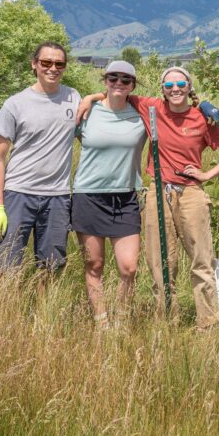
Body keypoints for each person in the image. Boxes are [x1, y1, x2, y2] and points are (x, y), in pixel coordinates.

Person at [78, 66, 219, 329]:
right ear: (162, 90)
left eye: (180, 84)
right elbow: (117, 92)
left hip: (190, 192)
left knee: (201, 259)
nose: (175, 89)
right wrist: (90, 98)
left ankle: (208, 325)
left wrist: (207, 174)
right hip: (158, 190)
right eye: (168, 86)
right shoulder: (150, 108)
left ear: (189, 87)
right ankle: (167, 323)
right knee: (161, 263)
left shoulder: (202, 118)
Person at [0, 42, 80, 290]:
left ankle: (41, 321)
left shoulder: (74, 98)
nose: (52, 68)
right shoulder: (15, 104)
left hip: (57, 198)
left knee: (50, 267)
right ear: (34, 64)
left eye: (59, 64)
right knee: (0, 264)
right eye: (46, 63)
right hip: (18, 195)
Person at [72, 60, 147, 328]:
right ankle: (102, 325)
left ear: (132, 86)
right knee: (94, 265)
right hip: (88, 195)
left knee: (128, 267)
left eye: (125, 80)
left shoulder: (141, 114)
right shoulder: (87, 112)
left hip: (125, 197)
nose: (118, 83)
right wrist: (91, 98)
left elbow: (175, 106)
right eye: (113, 78)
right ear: (105, 80)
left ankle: (121, 322)